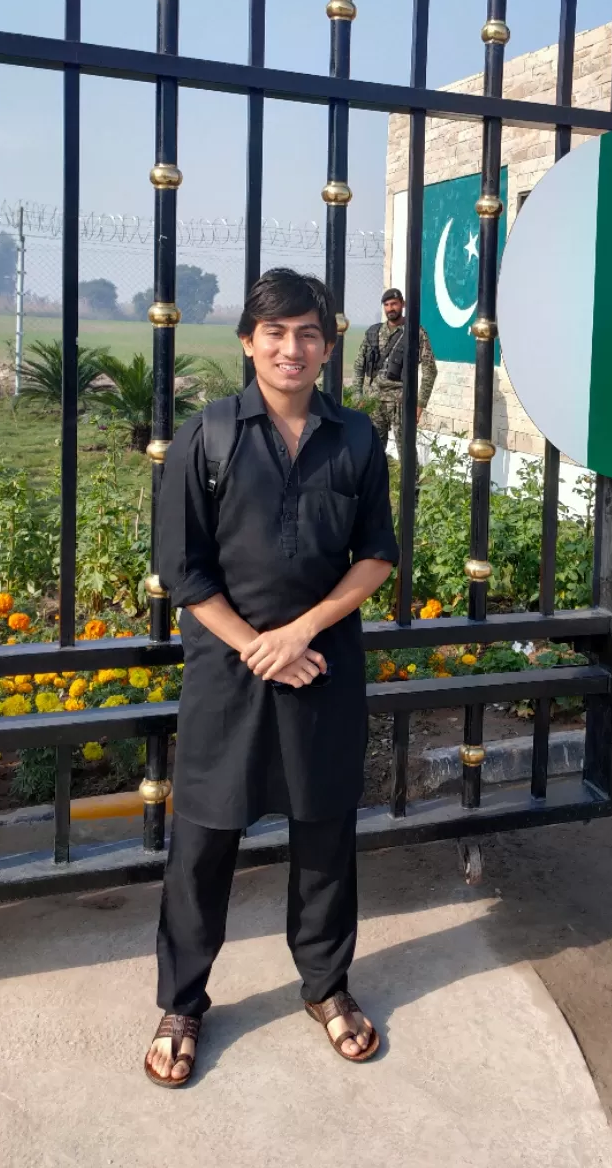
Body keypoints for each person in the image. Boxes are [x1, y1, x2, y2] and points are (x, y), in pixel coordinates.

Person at [144, 267, 397, 1088]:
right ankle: (182, 1002)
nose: (293, 348)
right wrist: (257, 645)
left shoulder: (357, 439)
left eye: (309, 333)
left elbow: (376, 556)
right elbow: (181, 569)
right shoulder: (208, 436)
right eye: (276, 332)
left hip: (322, 663)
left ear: (328, 346)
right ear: (249, 341)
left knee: (325, 835)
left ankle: (326, 987)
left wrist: (300, 632)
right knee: (205, 839)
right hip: (228, 673)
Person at [352, 286, 437, 453]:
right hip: (375, 400)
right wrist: (357, 395)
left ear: (402, 304)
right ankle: (377, 480)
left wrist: (420, 404)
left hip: (401, 401)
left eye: (394, 304)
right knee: (372, 450)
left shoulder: (415, 333)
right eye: (387, 304)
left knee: (406, 451)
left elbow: (430, 370)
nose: (390, 308)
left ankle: (411, 480)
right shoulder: (373, 332)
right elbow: (359, 365)